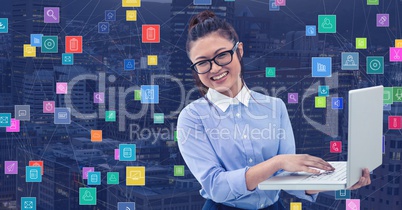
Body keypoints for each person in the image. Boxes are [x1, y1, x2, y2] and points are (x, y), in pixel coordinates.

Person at [177, 10, 371, 210]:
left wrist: (339, 183)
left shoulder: (274, 106)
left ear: (239, 51)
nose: (215, 68)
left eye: (222, 55)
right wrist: (277, 162)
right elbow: (215, 186)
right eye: (202, 62)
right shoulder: (192, 118)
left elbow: (287, 179)